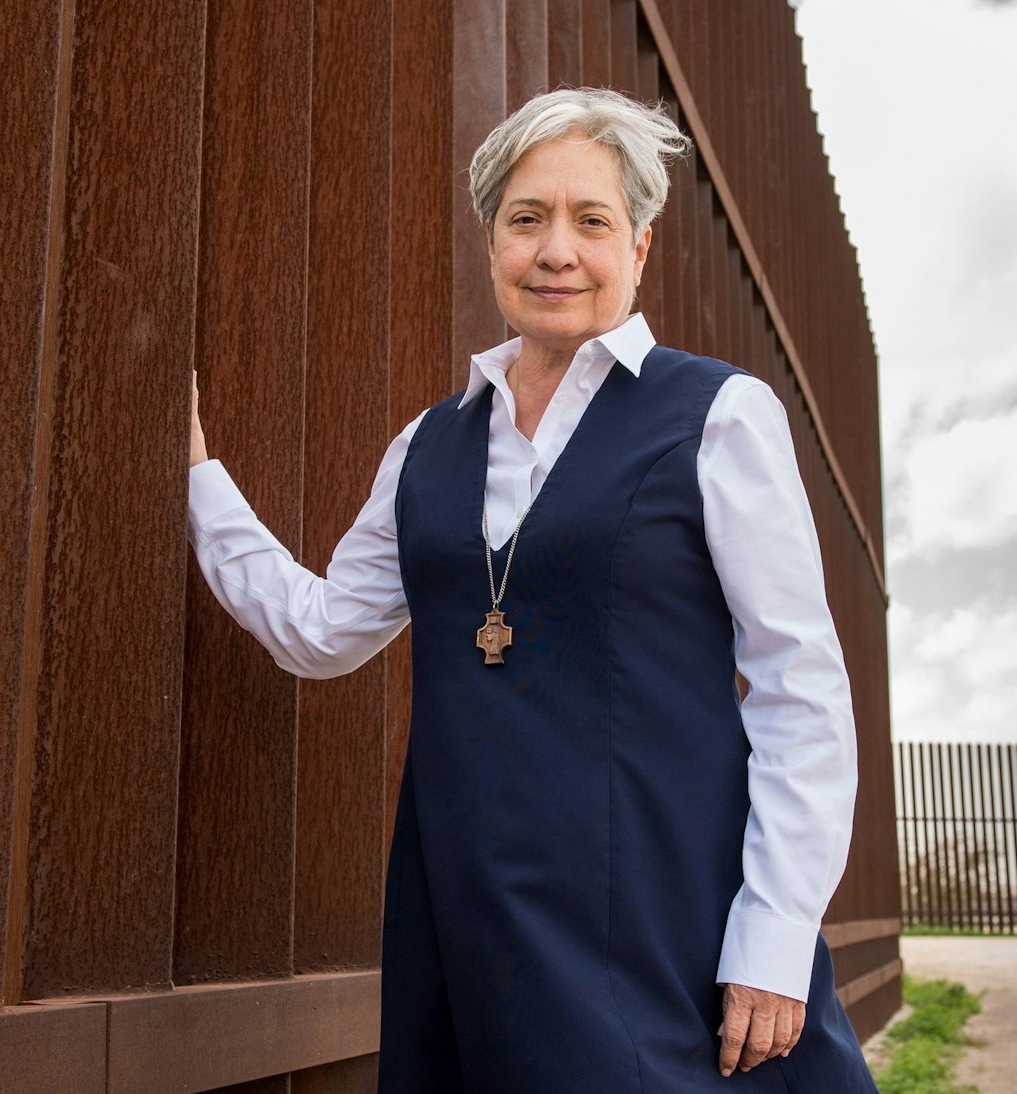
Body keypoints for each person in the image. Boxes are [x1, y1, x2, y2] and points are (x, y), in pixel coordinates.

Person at [187, 87, 877, 1092]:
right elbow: (321, 628)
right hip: (470, 920)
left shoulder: (720, 415)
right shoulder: (425, 446)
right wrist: (196, 475)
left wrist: (773, 934)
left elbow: (797, 685)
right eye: (527, 218)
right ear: (490, 239)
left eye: (591, 220)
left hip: (665, 905)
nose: (557, 250)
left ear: (638, 247)